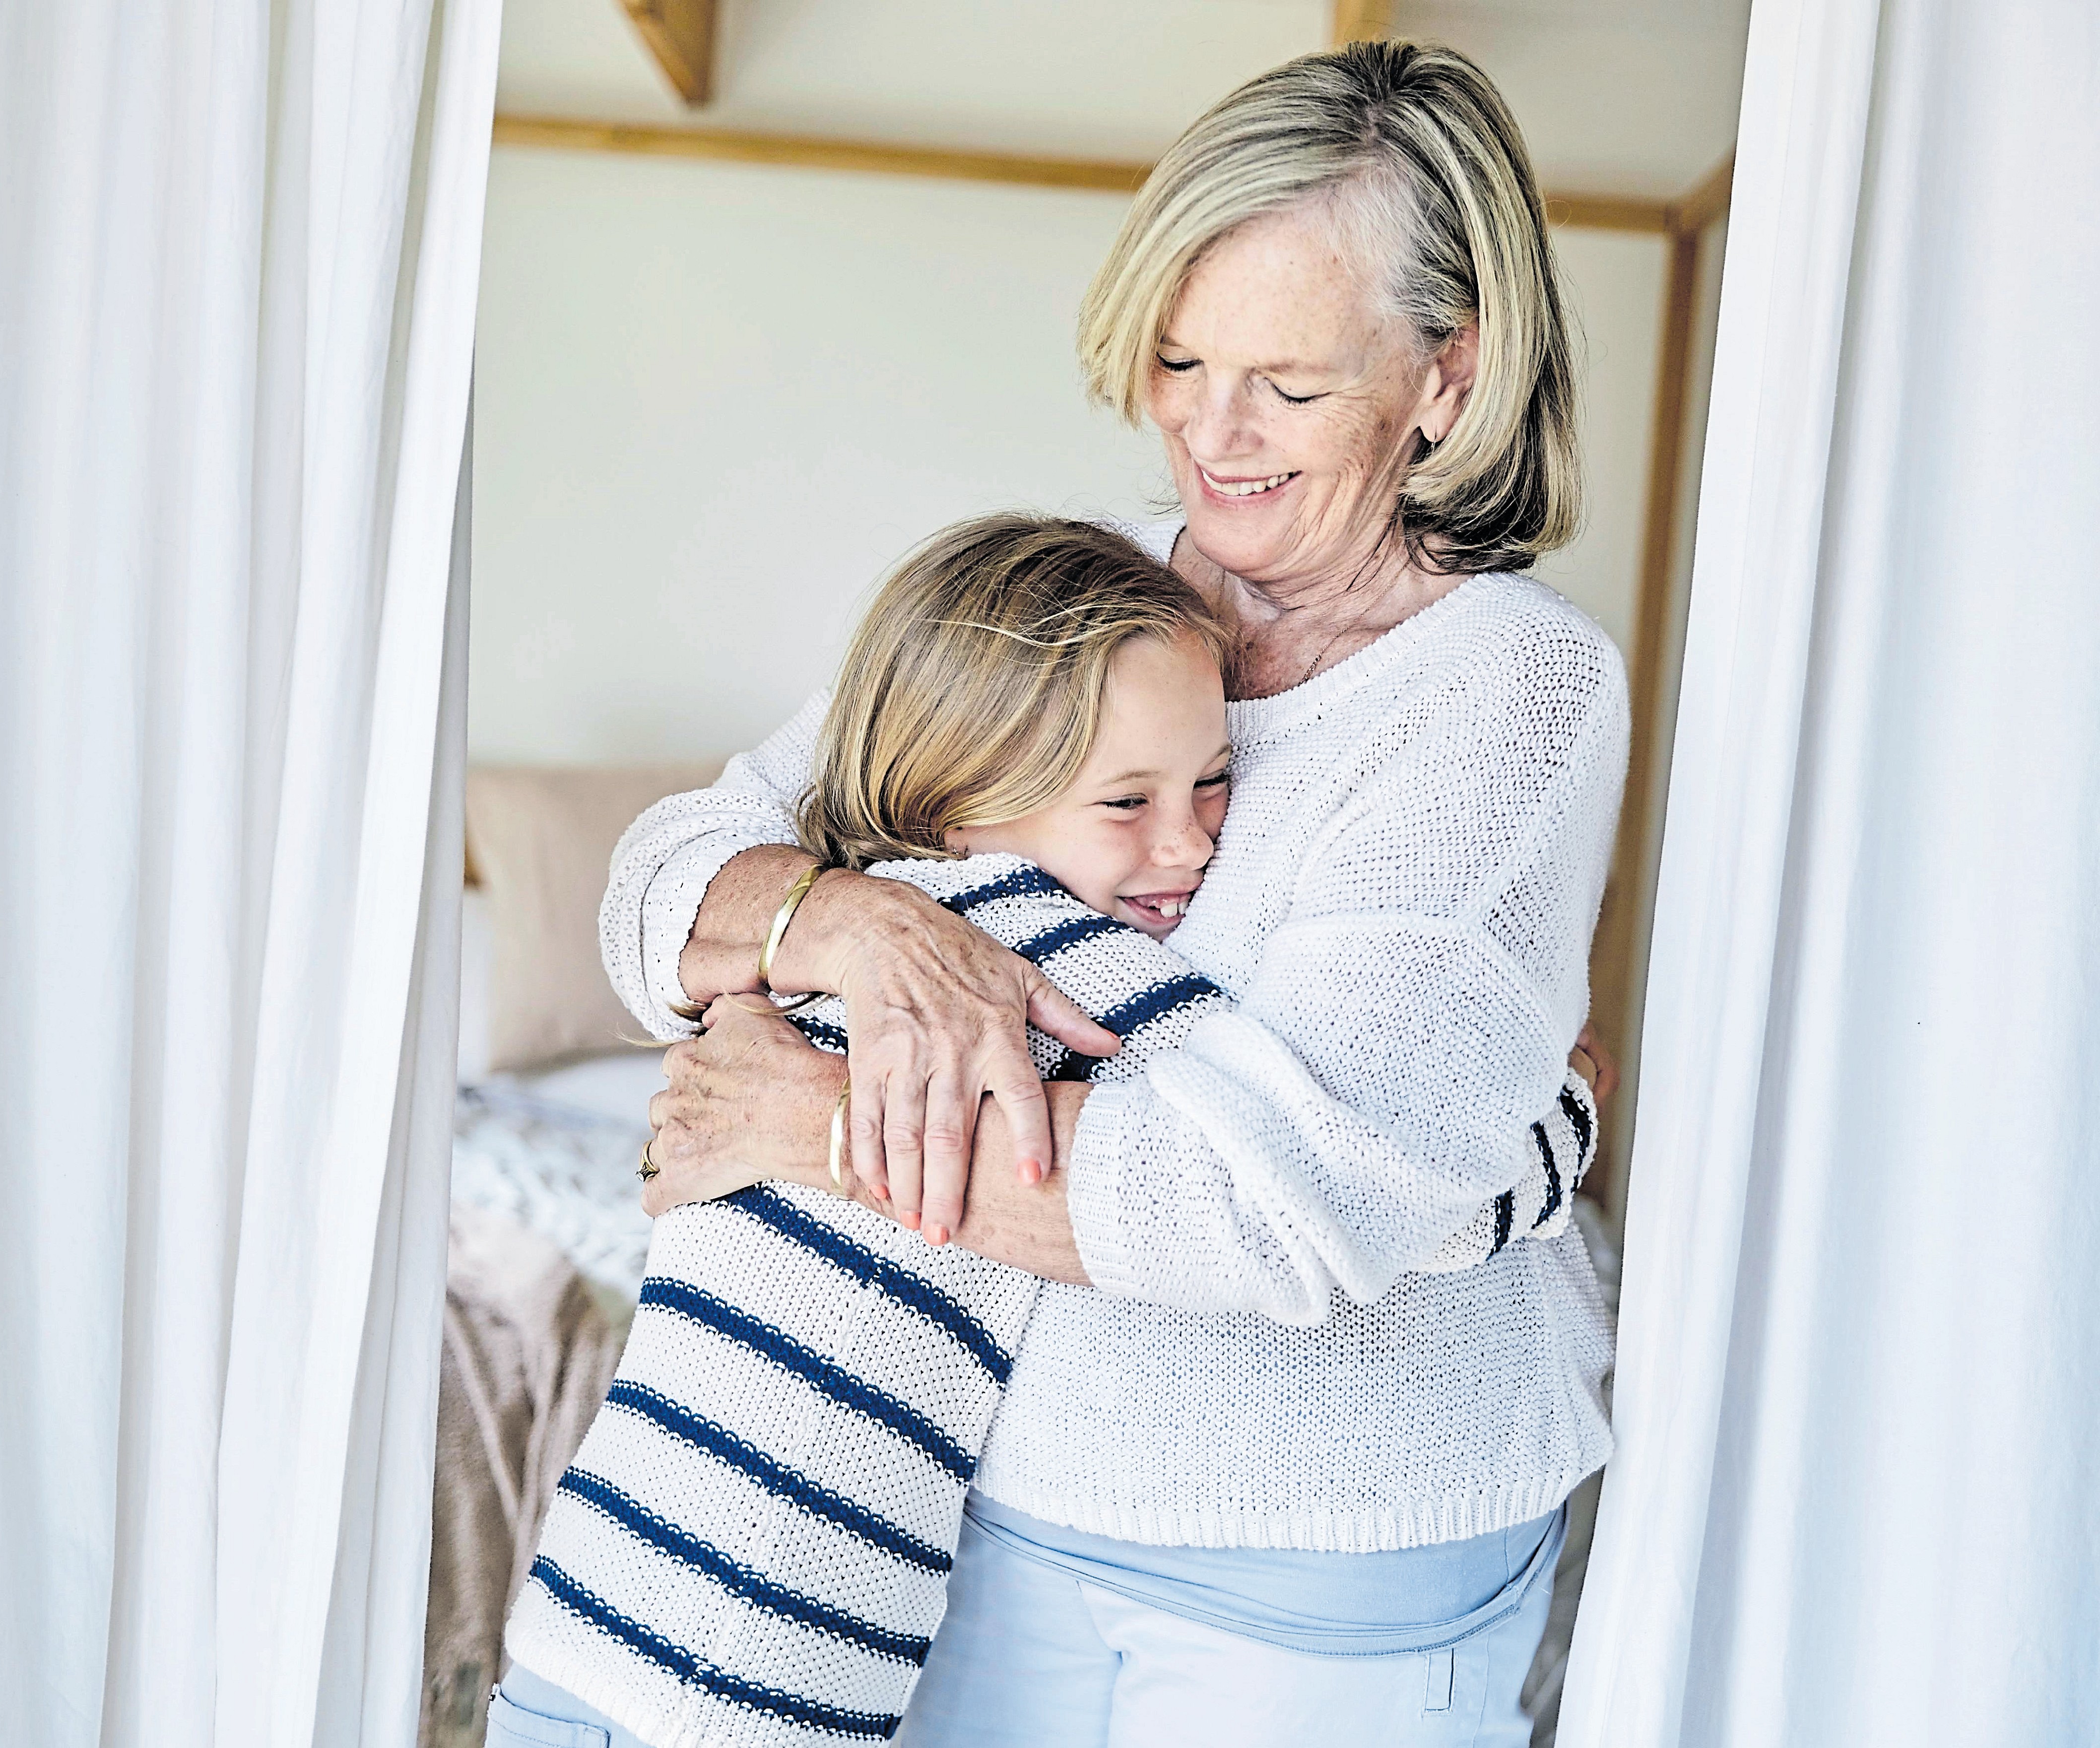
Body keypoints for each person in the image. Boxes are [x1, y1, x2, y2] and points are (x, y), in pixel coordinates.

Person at [608, 40, 1623, 1748]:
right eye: (1175, 356)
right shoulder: (1078, 585)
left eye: (1288, 385)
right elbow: (666, 880)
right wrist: (862, 924)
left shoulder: (1509, 691)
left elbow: (1276, 1207)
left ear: (1442, 381)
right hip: (980, 1507)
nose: (1209, 432)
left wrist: (808, 1114)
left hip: (1326, 1556)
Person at [490, 515, 1592, 1748]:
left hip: (597, 1611)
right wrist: (1555, 1114)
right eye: (1126, 800)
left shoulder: (809, 942)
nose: (1190, 844)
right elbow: (1318, 1173)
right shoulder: (1047, 971)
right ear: (962, 806)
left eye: (1214, 780)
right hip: (751, 1673)